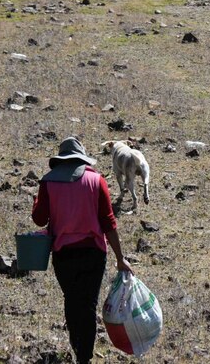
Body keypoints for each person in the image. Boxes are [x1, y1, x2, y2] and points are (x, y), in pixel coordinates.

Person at [33, 137, 132, 364]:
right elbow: (108, 222)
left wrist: (36, 201)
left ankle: (78, 347)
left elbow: (39, 219)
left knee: (71, 300)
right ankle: (84, 358)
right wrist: (120, 258)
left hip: (63, 255)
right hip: (93, 254)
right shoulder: (96, 180)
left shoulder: (48, 182)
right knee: (88, 305)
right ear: (81, 158)